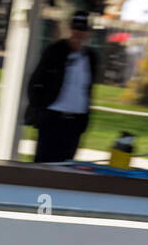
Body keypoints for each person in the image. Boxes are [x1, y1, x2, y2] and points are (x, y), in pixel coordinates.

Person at [27, 11, 98, 163]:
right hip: (53, 117)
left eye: (82, 30)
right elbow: (36, 81)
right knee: (43, 162)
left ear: (88, 33)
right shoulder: (55, 51)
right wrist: (39, 109)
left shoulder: (90, 57)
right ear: (70, 29)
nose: (78, 33)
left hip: (76, 120)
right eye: (76, 28)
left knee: (66, 164)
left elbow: (88, 89)